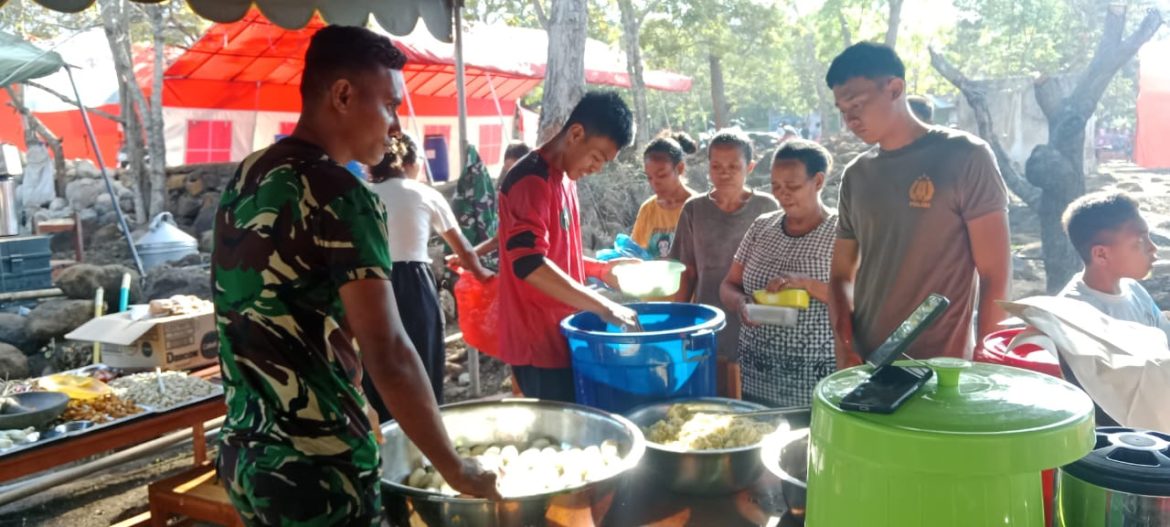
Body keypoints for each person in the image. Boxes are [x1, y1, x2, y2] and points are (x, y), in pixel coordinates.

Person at [211, 26, 499, 527]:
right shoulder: (343, 194)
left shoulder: (249, 174)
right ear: (343, 94)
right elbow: (389, 353)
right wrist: (454, 467)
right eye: (389, 105)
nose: (394, 126)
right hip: (318, 468)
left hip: (246, 453)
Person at [825, 42, 1011, 368]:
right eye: (842, 110)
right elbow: (841, 274)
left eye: (856, 104)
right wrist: (845, 343)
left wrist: (986, 361)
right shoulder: (857, 175)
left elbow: (995, 274)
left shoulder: (965, 156)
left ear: (895, 88)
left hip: (941, 367)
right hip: (866, 364)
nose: (849, 119)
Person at [496, 90, 640, 402]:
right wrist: (605, 306)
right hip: (537, 343)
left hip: (562, 335)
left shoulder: (565, 179)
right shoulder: (531, 180)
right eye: (597, 157)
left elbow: (557, 257)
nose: (597, 168)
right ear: (576, 133)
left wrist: (602, 270)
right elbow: (529, 264)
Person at [364, 133, 494, 423]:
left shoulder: (361, 192)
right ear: (410, 162)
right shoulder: (425, 194)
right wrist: (485, 276)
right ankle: (427, 435)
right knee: (423, 359)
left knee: (378, 362)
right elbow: (466, 251)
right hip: (413, 284)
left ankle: (384, 434)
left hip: (369, 283)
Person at [720, 140, 838, 407]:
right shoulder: (762, 226)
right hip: (755, 376)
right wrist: (741, 303)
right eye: (776, 187)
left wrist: (805, 284)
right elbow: (729, 284)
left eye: (793, 187)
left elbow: (859, 298)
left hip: (814, 383)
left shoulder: (842, 232)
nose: (783, 194)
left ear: (818, 181)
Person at [670, 129, 780, 396]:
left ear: (750, 167)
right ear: (708, 168)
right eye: (717, 166)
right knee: (713, 396)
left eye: (734, 166)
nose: (725, 173)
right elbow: (687, 271)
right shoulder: (694, 209)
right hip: (708, 320)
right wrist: (675, 324)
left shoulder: (767, 208)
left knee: (753, 398)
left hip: (757, 320)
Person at [1059, 191, 1169, 338]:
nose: (1153, 247)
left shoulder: (1134, 290)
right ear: (1101, 254)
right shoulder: (1075, 315)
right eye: (1140, 241)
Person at [630, 131, 699, 256]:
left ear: (680, 169)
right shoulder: (648, 210)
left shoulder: (698, 208)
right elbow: (636, 254)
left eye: (662, 175)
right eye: (649, 177)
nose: (655, 183)